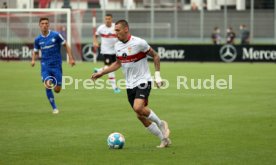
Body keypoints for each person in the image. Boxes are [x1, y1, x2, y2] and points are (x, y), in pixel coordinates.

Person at [92, 20, 171, 148]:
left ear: (126, 29)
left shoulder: (139, 43)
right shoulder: (117, 46)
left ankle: (161, 123)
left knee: (138, 107)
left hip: (143, 80)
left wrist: (157, 76)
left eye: (117, 30)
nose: (115, 33)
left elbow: (155, 56)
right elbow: (118, 63)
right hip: (129, 85)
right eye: (115, 30)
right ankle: (164, 139)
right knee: (140, 116)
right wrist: (102, 72)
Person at [31, 17, 75, 114]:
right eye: (42, 23)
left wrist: (71, 58)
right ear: (39, 25)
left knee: (57, 90)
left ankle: (57, 87)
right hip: (45, 66)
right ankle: (54, 108)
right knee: (47, 84)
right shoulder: (38, 39)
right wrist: (33, 60)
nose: (44, 25)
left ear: (49, 25)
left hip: (56, 66)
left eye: (46, 23)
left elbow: (66, 45)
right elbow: (35, 51)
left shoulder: (56, 35)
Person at [93, 13, 120, 93]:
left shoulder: (115, 27)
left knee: (113, 66)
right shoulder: (101, 28)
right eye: (106, 19)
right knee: (111, 69)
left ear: (111, 19)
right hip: (106, 51)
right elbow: (95, 35)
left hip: (115, 50)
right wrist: (95, 42)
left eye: (109, 19)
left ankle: (99, 70)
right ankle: (114, 87)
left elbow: (120, 35)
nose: (107, 20)